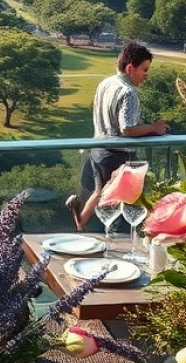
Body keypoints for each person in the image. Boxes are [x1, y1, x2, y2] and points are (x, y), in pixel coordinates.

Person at [67, 42, 170, 230]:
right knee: (117, 198)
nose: (146, 76)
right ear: (130, 68)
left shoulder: (106, 83)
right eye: (144, 70)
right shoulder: (129, 92)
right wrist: (153, 128)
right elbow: (128, 129)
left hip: (98, 148)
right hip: (116, 155)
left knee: (100, 192)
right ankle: (118, 234)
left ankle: (80, 221)